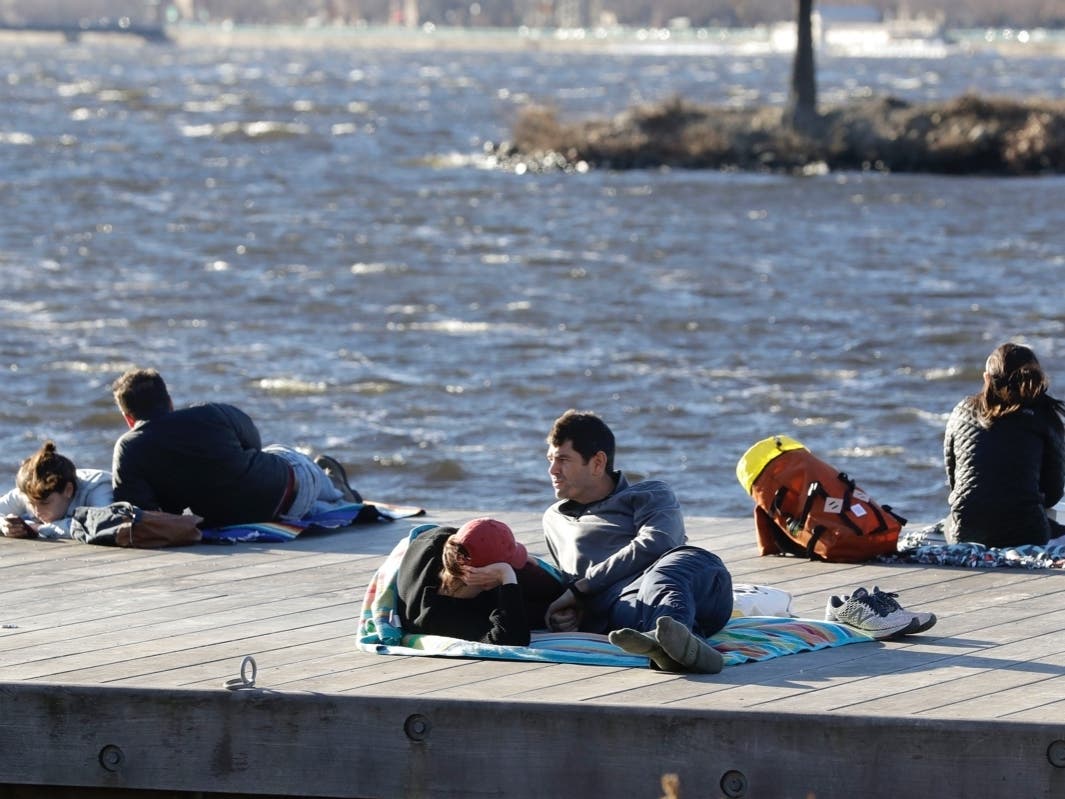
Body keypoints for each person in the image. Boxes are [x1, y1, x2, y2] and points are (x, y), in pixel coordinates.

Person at [541, 410, 733, 674]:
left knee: (664, 574)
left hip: (695, 584)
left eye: (563, 459)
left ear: (597, 463)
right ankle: (675, 648)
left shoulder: (651, 494)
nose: (552, 470)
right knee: (628, 615)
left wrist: (583, 588)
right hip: (628, 606)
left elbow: (658, 542)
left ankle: (675, 640)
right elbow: (569, 578)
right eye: (550, 459)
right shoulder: (554, 519)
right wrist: (571, 613)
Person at [110, 368, 359, 529]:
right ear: (170, 402)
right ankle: (337, 488)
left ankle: (333, 492)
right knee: (284, 455)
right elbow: (254, 443)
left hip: (227, 520)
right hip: (283, 494)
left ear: (128, 419)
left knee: (290, 484)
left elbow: (138, 510)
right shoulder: (212, 413)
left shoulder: (128, 448)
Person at [944, 342, 1065, 548]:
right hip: (1028, 534)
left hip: (965, 532)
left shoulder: (962, 410)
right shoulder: (1044, 414)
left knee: (949, 521)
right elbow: (1054, 491)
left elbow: (955, 479)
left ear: (987, 378)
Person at [395, 517, 564, 646]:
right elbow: (512, 640)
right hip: (470, 599)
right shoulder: (435, 616)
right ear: (487, 577)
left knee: (552, 593)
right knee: (533, 608)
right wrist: (507, 575)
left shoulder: (445, 541)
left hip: (472, 583)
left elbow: (461, 541)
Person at [0, 440, 113, 540]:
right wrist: (4, 525)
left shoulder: (97, 488)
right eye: (30, 503)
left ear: (68, 490)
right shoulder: (32, 491)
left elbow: (104, 525)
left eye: (44, 503)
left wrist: (39, 528)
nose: (36, 511)